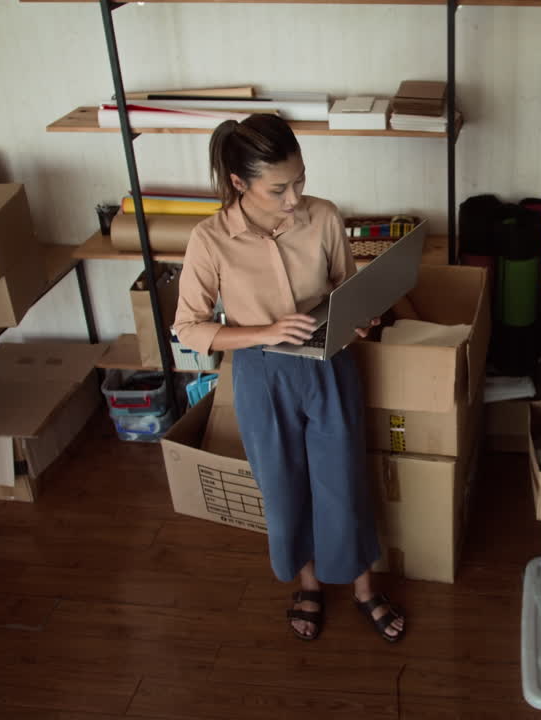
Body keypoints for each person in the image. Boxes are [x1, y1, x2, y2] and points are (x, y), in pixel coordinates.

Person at [173, 114, 405, 644]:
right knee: (283, 487)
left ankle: (364, 588)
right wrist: (264, 329)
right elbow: (189, 327)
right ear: (239, 183)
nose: (295, 197)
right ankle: (310, 583)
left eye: (300, 180)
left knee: (342, 479)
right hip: (262, 374)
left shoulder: (323, 217)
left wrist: (361, 315)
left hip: (328, 365)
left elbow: (347, 286)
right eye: (279, 188)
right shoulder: (210, 239)